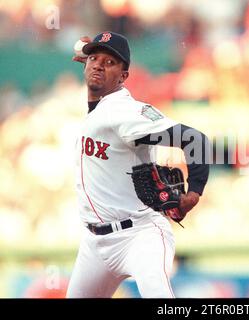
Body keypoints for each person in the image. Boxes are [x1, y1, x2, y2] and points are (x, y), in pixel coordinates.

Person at [66, 31, 210, 298]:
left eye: (110, 62)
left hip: (139, 235)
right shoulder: (101, 104)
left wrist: (195, 191)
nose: (98, 64)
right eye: (94, 59)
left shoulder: (125, 113)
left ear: (123, 78)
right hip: (95, 243)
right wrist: (93, 62)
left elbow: (194, 139)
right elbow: (97, 78)